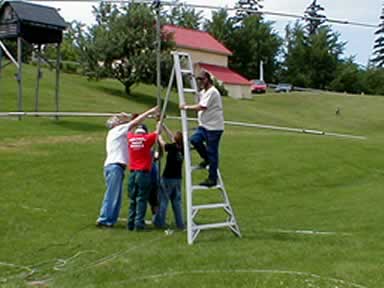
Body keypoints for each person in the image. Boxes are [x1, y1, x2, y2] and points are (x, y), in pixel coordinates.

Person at [96, 106, 159, 228]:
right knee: (112, 194)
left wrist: (129, 118)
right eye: (118, 120)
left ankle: (110, 220)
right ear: (115, 125)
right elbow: (134, 123)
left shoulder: (118, 133)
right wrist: (150, 112)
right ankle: (104, 219)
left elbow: (133, 125)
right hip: (115, 166)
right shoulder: (117, 130)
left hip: (115, 167)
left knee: (115, 195)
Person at [180, 71, 224, 187]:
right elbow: (197, 94)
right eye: (198, 80)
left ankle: (212, 179)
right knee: (195, 140)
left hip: (214, 128)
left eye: (202, 80)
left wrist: (185, 107)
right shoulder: (204, 92)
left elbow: (202, 106)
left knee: (212, 152)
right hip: (204, 126)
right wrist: (190, 79)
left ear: (208, 80)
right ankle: (206, 158)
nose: (200, 82)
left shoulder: (212, 92)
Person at [127, 122, 161, 231]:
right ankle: (139, 224)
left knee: (133, 199)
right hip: (143, 173)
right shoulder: (147, 139)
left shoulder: (130, 137)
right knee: (141, 199)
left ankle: (130, 223)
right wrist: (159, 122)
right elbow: (158, 132)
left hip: (132, 173)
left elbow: (128, 129)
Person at [153, 124, 184, 229]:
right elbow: (171, 137)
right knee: (177, 202)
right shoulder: (182, 148)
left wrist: (158, 134)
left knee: (163, 201)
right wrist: (164, 127)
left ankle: (159, 223)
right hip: (178, 179)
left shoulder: (171, 147)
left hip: (168, 178)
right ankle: (180, 224)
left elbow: (162, 143)